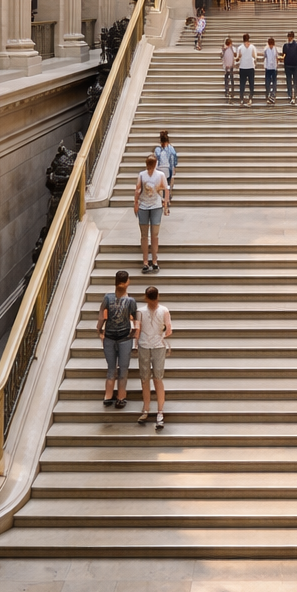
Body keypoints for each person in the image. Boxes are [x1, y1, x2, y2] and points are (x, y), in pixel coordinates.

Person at [97, 268, 137, 408]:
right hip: (125, 336)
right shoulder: (130, 300)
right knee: (123, 368)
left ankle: (108, 395)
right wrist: (134, 334)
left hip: (109, 336)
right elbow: (136, 319)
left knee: (111, 367)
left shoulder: (107, 298)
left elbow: (102, 316)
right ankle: (121, 396)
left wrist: (99, 330)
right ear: (127, 282)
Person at [136, 284, 173, 429]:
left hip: (145, 346)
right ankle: (159, 411)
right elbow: (169, 330)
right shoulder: (164, 310)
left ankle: (147, 409)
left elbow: (137, 330)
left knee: (145, 379)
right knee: (157, 378)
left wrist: (135, 343)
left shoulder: (140, 311)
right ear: (157, 296)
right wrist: (162, 332)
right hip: (158, 345)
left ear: (146, 297)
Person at [135, 153, 169, 273]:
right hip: (144, 206)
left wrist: (165, 203)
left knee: (154, 235)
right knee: (145, 236)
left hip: (156, 205)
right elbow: (138, 189)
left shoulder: (160, 175)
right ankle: (145, 261)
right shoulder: (142, 175)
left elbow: (166, 188)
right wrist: (136, 203)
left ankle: (154, 260)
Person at [154, 129, 179, 206]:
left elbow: (155, 159)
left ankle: (162, 199)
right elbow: (174, 159)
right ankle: (167, 199)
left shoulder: (157, 149)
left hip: (159, 169)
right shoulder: (171, 149)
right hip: (168, 169)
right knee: (167, 185)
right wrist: (174, 168)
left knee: (159, 185)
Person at [282, 30, 297, 105]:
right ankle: (290, 94)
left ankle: (295, 94)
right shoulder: (285, 45)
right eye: (288, 37)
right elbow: (284, 54)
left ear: (293, 37)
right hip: (287, 65)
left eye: (290, 37)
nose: (289, 38)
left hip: (295, 65)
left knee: (295, 80)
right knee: (288, 80)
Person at [237, 33, 256, 105]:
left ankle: (241, 99)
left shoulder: (240, 47)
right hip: (251, 66)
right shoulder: (252, 47)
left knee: (242, 83)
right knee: (251, 83)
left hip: (242, 67)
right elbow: (254, 56)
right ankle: (250, 98)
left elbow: (238, 57)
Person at [221, 37, 237, 102]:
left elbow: (222, 56)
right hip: (230, 65)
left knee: (227, 79)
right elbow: (235, 55)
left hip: (227, 66)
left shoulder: (225, 49)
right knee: (230, 78)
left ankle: (227, 91)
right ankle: (231, 91)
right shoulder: (231, 48)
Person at [264, 36, 279, 104]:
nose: (271, 46)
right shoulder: (266, 49)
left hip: (274, 68)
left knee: (274, 82)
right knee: (267, 82)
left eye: (272, 44)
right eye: (270, 44)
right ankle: (268, 95)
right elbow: (265, 57)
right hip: (268, 67)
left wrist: (277, 64)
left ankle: (273, 95)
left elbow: (276, 57)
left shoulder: (275, 49)